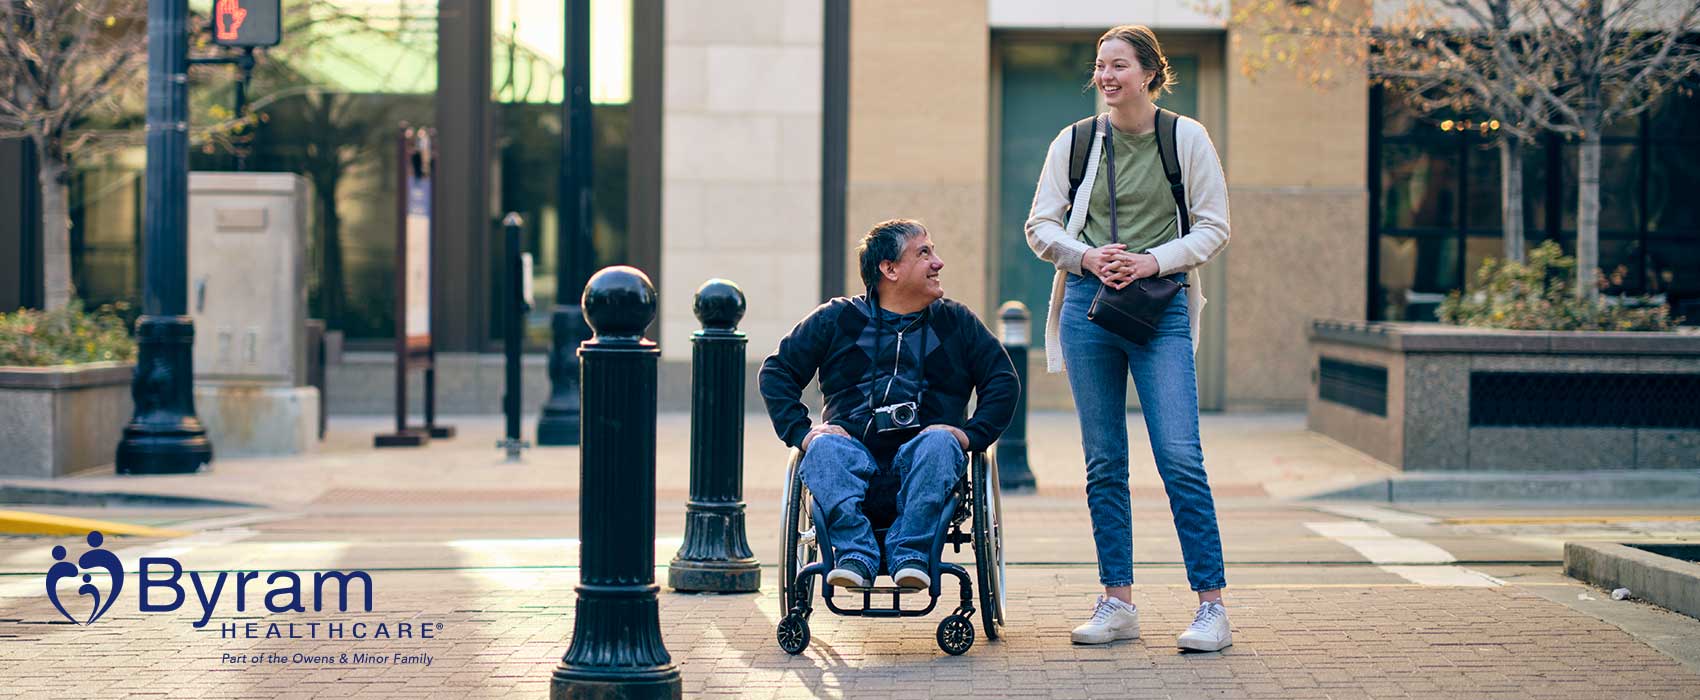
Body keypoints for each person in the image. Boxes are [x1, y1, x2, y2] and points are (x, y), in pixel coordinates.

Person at [1024, 25, 1233, 651]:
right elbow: (1040, 225)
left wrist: (1152, 261)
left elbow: (1215, 226)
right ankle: (1118, 601)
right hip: (1089, 305)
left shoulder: (1184, 137)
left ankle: (1211, 607)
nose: (1106, 76)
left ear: (1149, 72)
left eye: (1118, 65)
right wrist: (1087, 258)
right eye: (1099, 66)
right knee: (1104, 461)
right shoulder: (1077, 141)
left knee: (1179, 457)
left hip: (1158, 305)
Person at [760, 219, 1019, 591]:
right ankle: (853, 556)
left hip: (927, 468)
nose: (938, 263)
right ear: (890, 269)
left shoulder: (956, 322)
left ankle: (912, 555)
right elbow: (777, 372)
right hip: (849, 465)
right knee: (823, 446)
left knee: (940, 442)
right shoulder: (838, 319)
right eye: (924, 252)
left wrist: (969, 436)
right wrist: (802, 433)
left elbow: (1002, 381)